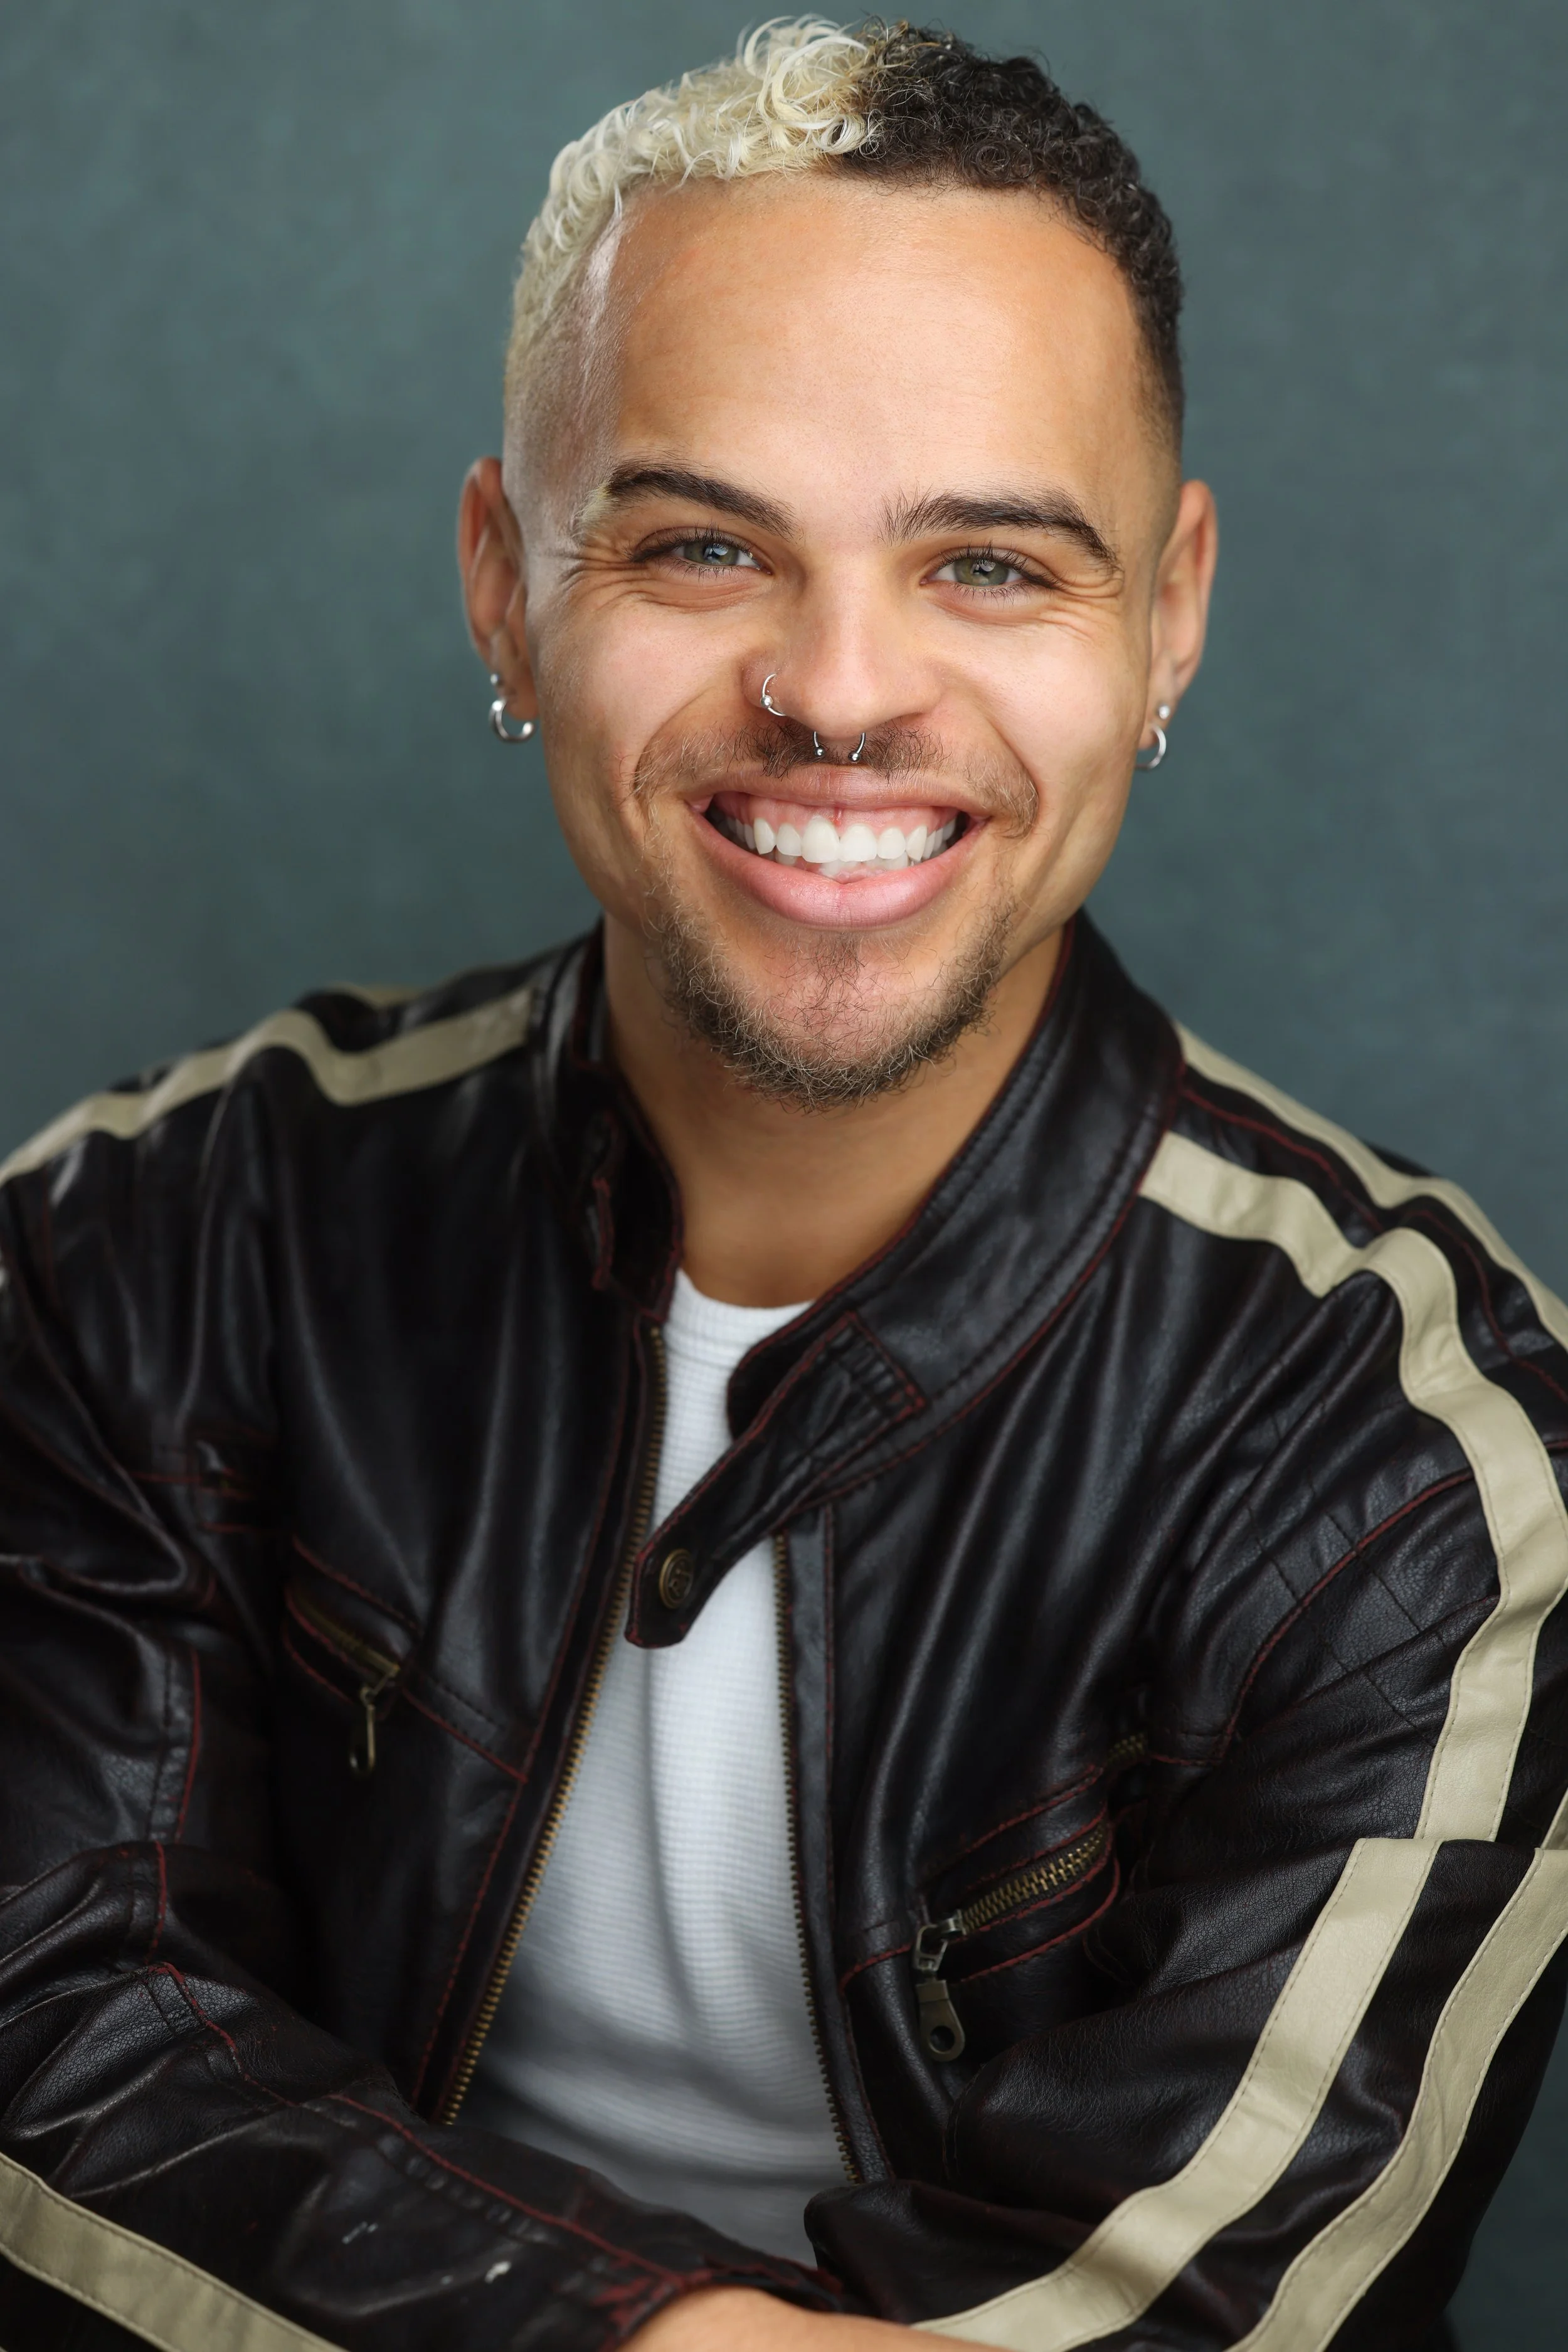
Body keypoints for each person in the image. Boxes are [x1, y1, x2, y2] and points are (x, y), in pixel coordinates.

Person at [0, 17, 1563, 2350]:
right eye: (704, 542)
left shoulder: (1411, 1467)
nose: (841, 690)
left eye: (992, 564)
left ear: (1170, 612)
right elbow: (53, 2033)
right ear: (503, 587)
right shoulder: (144, 1250)